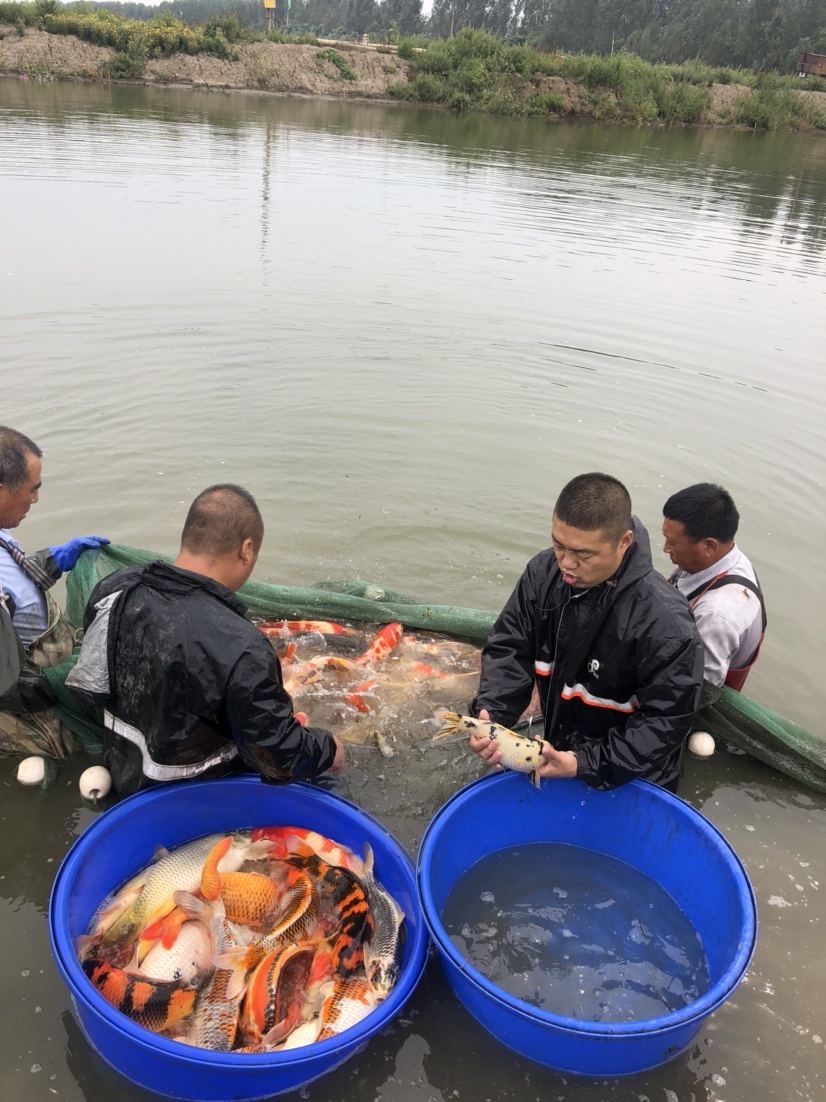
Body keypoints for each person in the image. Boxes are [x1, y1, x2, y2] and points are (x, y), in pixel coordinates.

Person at [65, 483, 344, 796]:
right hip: (194, 793)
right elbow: (280, 757)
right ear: (247, 549)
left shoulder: (114, 589)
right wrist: (329, 747)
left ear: (189, 538)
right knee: (324, 774)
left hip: (124, 769)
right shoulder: (240, 643)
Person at [469, 473, 703, 792]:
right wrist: (492, 715)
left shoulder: (667, 625)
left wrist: (585, 763)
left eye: (583, 554)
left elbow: (664, 723)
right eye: (558, 545)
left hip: (634, 778)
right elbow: (510, 647)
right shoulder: (542, 574)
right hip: (557, 751)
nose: (566, 563)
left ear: (624, 543)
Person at [0, 425, 109, 757]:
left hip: (52, 664)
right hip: (30, 703)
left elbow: (13, 584)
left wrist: (53, 561)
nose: (35, 499)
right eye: (32, 490)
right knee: (74, 748)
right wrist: (56, 687)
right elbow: (7, 683)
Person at [662, 483, 766, 696]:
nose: (665, 549)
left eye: (672, 542)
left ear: (709, 546)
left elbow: (695, 693)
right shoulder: (731, 558)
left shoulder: (715, 615)